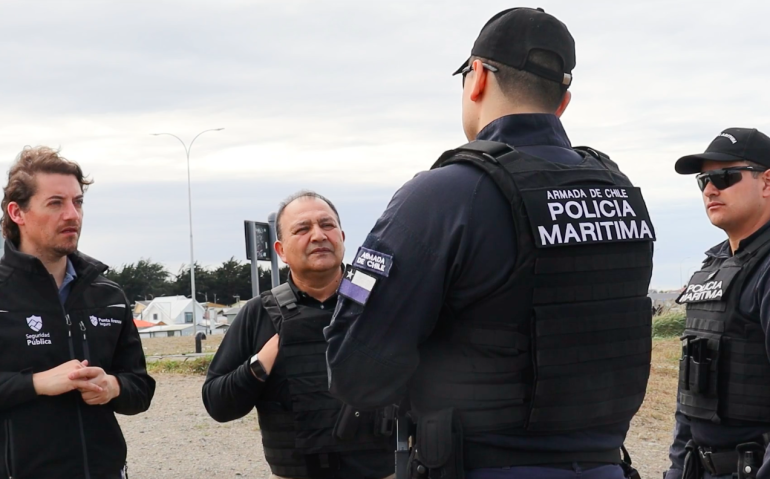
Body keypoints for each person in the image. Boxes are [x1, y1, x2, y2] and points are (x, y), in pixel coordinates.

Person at [325, 7, 656, 479]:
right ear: (562, 101)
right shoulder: (619, 193)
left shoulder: (443, 196)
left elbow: (356, 372)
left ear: (477, 77)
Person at [202, 191, 395, 479]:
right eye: (302, 229)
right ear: (280, 250)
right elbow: (217, 404)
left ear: (342, 236)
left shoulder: (384, 301)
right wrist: (260, 364)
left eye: (327, 225)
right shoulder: (260, 313)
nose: (318, 236)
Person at [0, 146, 155, 479]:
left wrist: (113, 386)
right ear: (18, 212)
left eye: (78, 202)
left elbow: (141, 389)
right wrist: (36, 383)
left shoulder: (108, 295)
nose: (72, 215)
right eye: (56, 203)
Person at [665, 128, 770, 479]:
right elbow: (691, 396)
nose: (711, 189)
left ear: (767, 182)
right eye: (704, 180)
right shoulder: (714, 268)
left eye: (725, 177)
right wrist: (678, 470)